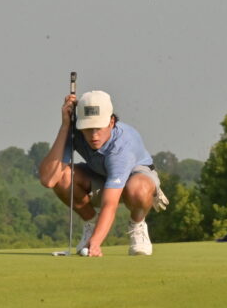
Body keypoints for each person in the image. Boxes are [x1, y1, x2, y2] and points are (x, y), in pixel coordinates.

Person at [39, 90, 168, 256]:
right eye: (88, 128)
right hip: (100, 174)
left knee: (138, 189)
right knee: (63, 177)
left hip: (135, 178)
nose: (94, 135)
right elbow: (48, 180)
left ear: (111, 122)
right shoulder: (75, 131)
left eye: (98, 128)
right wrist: (65, 126)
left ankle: (137, 225)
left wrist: (96, 243)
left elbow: (110, 204)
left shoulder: (122, 146)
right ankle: (90, 224)